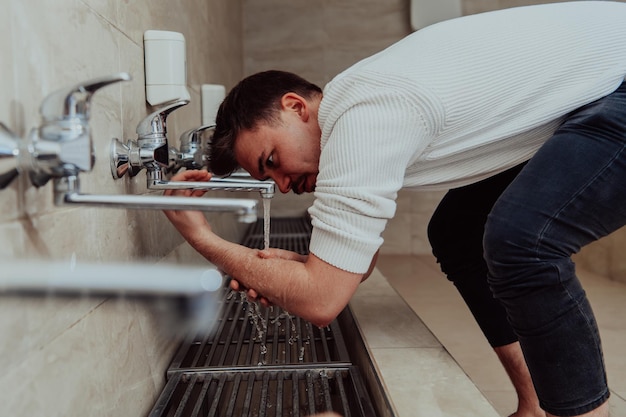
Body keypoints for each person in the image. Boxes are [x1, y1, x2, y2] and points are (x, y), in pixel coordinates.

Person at [163, 2, 626, 416]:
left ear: (295, 107)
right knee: (458, 232)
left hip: (618, 80)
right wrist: (305, 267)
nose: (284, 186)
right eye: (270, 179)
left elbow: (322, 301)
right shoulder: (357, 105)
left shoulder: (366, 115)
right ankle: (535, 406)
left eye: (273, 161)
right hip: (592, 94)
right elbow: (354, 265)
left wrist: (202, 237)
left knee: (523, 239)